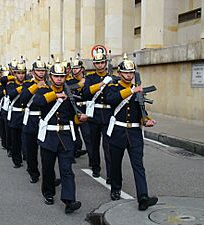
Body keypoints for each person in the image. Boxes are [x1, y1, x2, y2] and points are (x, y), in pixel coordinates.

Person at [33, 59, 87, 214]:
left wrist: (80, 118)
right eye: (56, 76)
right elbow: (37, 102)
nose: (59, 79)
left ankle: (69, 200)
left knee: (67, 170)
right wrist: (56, 95)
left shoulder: (70, 92)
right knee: (48, 169)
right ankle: (48, 193)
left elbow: (72, 115)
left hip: (65, 136)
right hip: (49, 135)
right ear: (51, 77)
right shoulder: (44, 89)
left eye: (62, 76)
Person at [104, 55, 158, 211]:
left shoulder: (137, 90)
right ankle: (115, 189)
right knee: (115, 163)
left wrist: (146, 120)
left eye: (131, 73)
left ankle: (143, 197)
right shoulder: (114, 87)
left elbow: (141, 109)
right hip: (118, 131)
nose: (129, 75)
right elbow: (111, 99)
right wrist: (131, 90)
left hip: (134, 132)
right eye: (126, 73)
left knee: (138, 166)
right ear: (120, 73)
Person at [82, 49, 112, 184]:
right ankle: (95, 166)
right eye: (97, 63)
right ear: (94, 64)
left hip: (108, 115)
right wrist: (101, 84)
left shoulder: (113, 79)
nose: (100, 65)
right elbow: (86, 93)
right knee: (94, 144)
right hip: (93, 115)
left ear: (106, 63)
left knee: (109, 147)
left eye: (102, 62)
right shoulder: (90, 78)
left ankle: (111, 174)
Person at [21, 57, 47, 183]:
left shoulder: (50, 84)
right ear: (33, 72)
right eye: (38, 70)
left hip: (45, 119)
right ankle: (33, 172)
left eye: (43, 70)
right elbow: (24, 98)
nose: (41, 73)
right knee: (31, 149)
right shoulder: (27, 84)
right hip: (31, 119)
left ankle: (48, 176)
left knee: (47, 151)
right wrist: (36, 86)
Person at [7, 60, 27, 168]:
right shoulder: (11, 84)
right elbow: (11, 94)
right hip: (16, 114)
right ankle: (17, 160)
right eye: (18, 73)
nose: (21, 75)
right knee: (16, 140)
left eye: (22, 73)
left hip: (26, 115)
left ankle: (26, 155)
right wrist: (23, 88)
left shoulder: (29, 83)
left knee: (26, 138)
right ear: (15, 74)